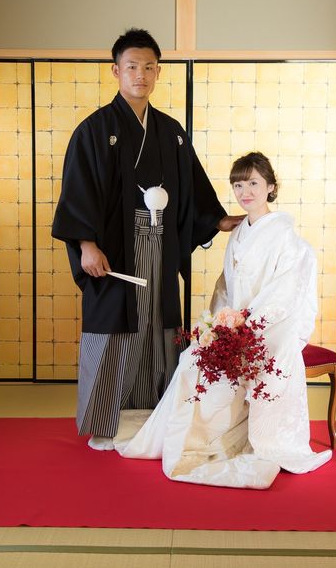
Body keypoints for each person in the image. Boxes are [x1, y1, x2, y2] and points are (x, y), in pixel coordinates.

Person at [52, 28, 242, 451]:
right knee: (113, 330)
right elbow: (78, 190)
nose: (141, 74)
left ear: (158, 72)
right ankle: (104, 424)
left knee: (159, 328)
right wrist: (86, 244)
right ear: (116, 71)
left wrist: (216, 219)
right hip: (114, 251)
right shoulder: (95, 130)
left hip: (159, 246)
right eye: (132, 66)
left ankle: (153, 420)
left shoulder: (171, 132)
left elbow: (193, 188)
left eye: (149, 67)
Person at [114, 151, 332, 489]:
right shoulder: (238, 233)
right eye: (238, 185)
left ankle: (235, 436)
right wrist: (219, 325)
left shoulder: (287, 240)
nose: (245, 192)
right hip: (236, 326)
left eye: (254, 183)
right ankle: (196, 438)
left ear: (271, 187)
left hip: (270, 329)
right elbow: (225, 288)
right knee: (192, 360)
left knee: (246, 368)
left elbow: (284, 295)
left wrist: (248, 324)